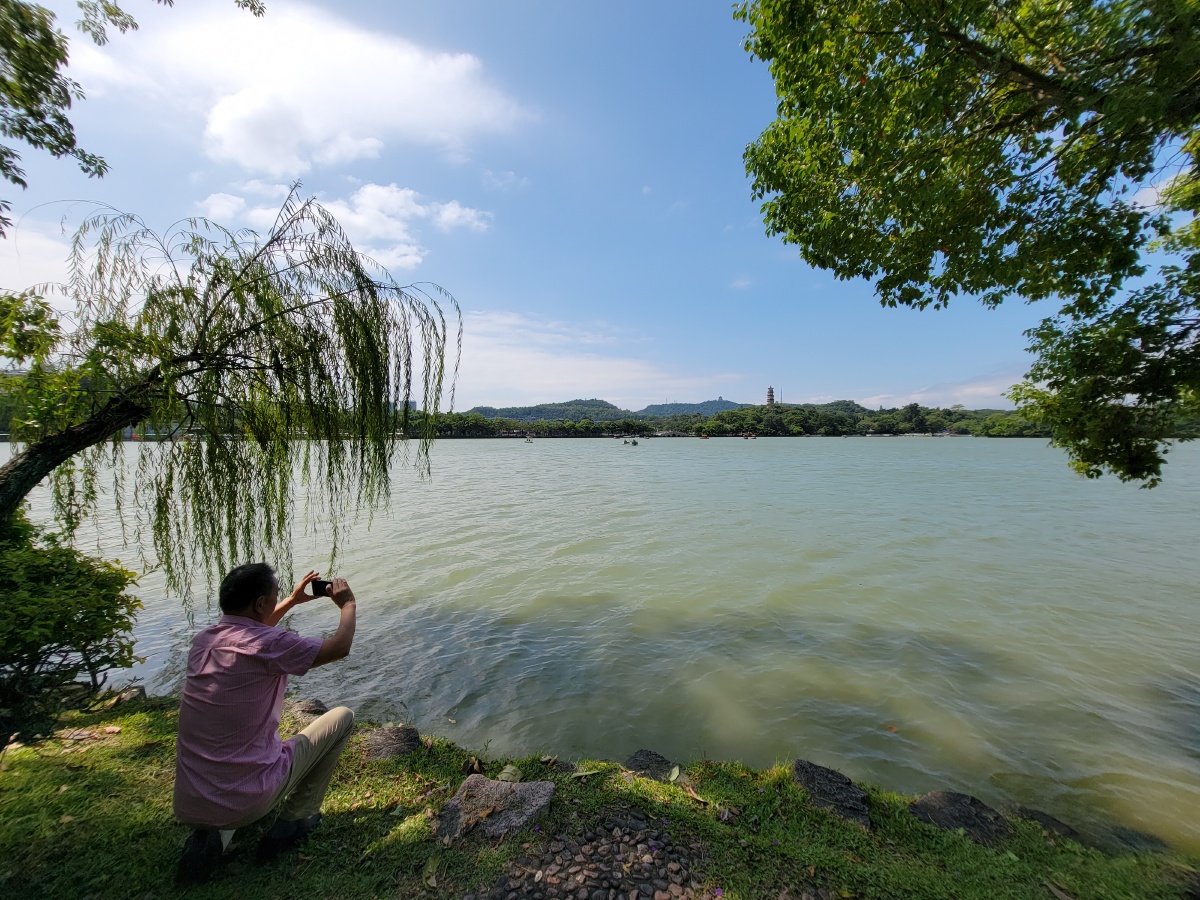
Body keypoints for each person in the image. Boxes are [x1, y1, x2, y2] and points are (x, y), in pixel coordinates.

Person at [173, 562, 358, 882]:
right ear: (260, 604)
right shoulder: (271, 645)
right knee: (342, 718)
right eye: (274, 596)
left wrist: (291, 601)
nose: (276, 600)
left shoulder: (204, 641)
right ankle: (294, 820)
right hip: (248, 799)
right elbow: (340, 647)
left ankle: (212, 836)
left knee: (230, 765)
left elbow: (252, 634)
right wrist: (348, 605)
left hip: (189, 801)